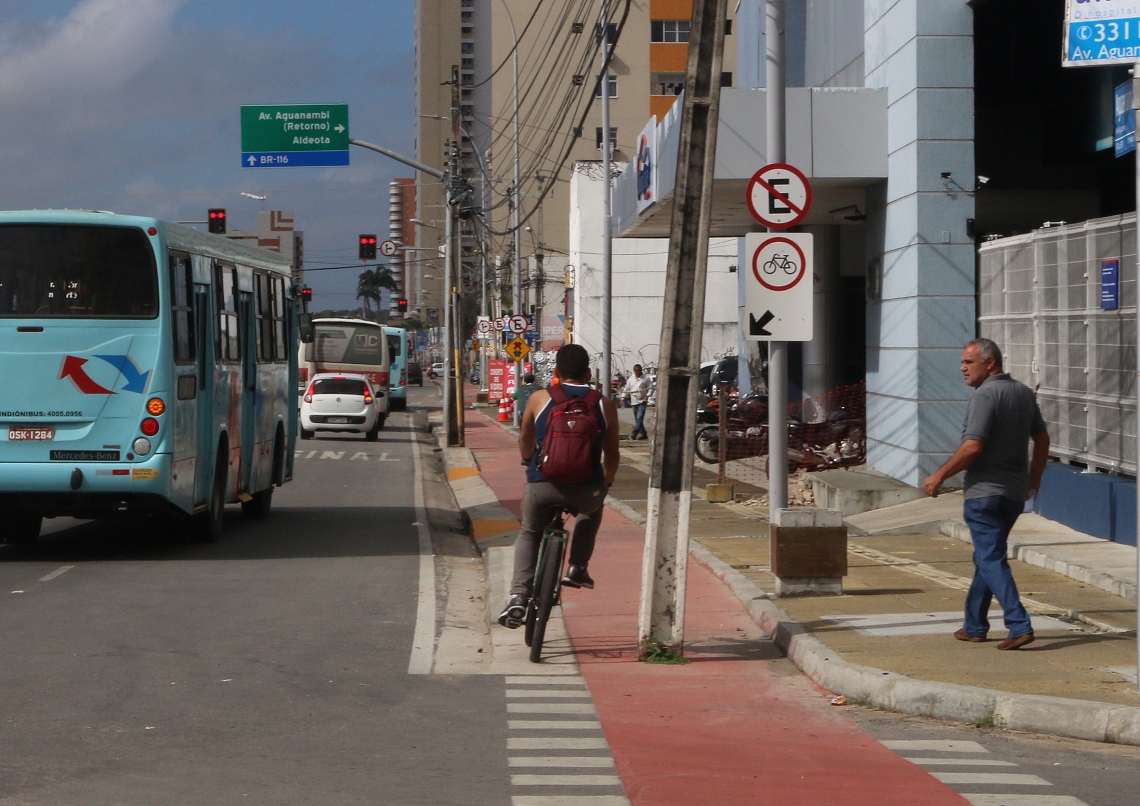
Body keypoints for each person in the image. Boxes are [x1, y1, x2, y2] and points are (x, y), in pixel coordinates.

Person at [923, 338, 1050, 651]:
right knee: (987, 556)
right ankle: (974, 625)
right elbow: (1043, 439)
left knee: (990, 557)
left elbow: (973, 446)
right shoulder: (1022, 392)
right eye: (963, 363)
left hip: (983, 494)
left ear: (989, 362)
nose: (962, 368)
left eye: (969, 362)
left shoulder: (986, 395)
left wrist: (939, 475)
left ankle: (1019, 624)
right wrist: (1034, 479)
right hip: (1013, 494)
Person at [498, 344, 621, 628]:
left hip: (543, 485)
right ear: (589, 373)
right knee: (593, 511)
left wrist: (528, 460)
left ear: (555, 372)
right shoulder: (605, 404)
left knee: (529, 533)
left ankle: (518, 596)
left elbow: (525, 440)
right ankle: (577, 567)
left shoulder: (540, 398)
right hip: (585, 488)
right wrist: (608, 479)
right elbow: (612, 454)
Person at [624, 364, 651, 440]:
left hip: (642, 401)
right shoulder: (631, 378)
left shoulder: (646, 378)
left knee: (639, 418)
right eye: (636, 371)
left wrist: (647, 396)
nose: (637, 372)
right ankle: (643, 433)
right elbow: (627, 388)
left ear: (641, 370)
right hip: (634, 401)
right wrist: (623, 397)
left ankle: (634, 433)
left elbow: (651, 388)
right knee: (637, 419)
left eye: (639, 371)